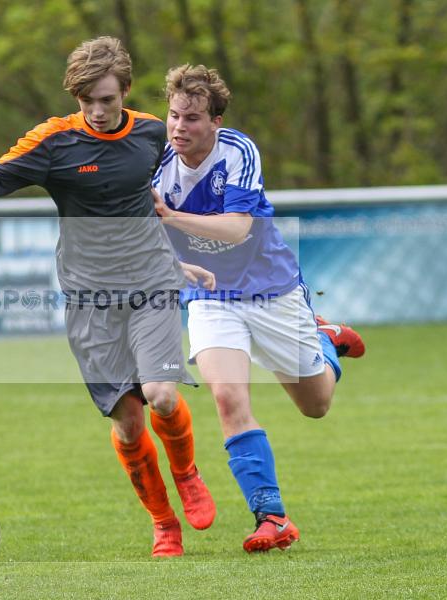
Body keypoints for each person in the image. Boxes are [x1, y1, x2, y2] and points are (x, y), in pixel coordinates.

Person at [0, 37, 215, 557]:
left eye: (107, 99)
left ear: (125, 93)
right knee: (127, 421)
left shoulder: (150, 133)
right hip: (89, 297)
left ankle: (186, 472)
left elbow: (167, 190)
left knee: (162, 395)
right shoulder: (54, 141)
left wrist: (176, 254)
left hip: (151, 284)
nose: (97, 111)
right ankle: (164, 523)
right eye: (87, 100)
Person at [151, 64, 366, 553]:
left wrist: (171, 216)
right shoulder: (156, 161)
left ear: (215, 121)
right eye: (173, 116)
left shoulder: (238, 151)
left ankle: (326, 339)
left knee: (316, 405)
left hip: (271, 289)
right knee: (227, 397)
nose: (180, 127)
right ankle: (271, 516)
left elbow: (236, 229)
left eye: (192, 118)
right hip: (210, 296)